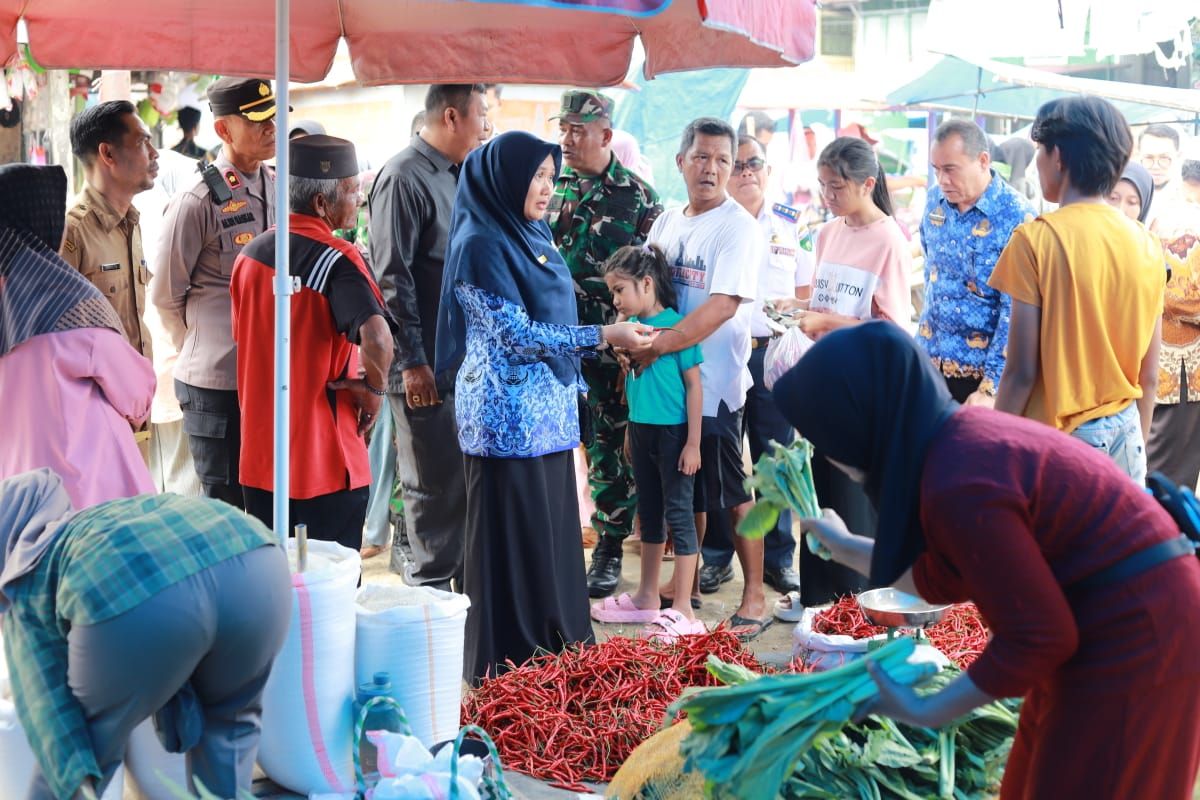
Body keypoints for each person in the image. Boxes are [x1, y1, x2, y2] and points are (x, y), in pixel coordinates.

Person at [778, 321, 1200, 800]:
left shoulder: (960, 477)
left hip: (1143, 635)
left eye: (828, 442)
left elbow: (1039, 636)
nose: (829, 459)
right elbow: (952, 571)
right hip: (1106, 621)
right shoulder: (952, 445)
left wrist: (927, 709)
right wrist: (846, 544)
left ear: (859, 427)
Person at [433, 131, 655, 681]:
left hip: (548, 415)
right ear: (503, 179)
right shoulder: (480, 244)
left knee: (551, 533)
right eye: (534, 176)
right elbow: (517, 335)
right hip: (504, 418)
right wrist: (605, 335)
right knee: (516, 535)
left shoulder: (531, 233)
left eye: (550, 178)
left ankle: (554, 646)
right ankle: (509, 656)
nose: (545, 188)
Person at [0, 468, 291, 800]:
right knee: (230, 726)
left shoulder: (27, 582)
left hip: (140, 593)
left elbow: (56, 729)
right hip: (260, 564)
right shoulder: (99, 519)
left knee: (82, 747)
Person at [637, 117, 769, 640]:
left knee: (733, 492)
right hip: (666, 387)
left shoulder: (739, 228)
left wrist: (660, 346)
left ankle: (755, 594)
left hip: (713, 386)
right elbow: (650, 291)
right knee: (683, 489)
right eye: (702, 157)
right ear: (681, 162)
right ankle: (682, 592)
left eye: (723, 160)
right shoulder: (666, 222)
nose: (712, 169)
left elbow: (721, 306)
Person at [232, 135, 394, 550]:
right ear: (321, 203)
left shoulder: (249, 256)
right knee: (331, 599)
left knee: (277, 593)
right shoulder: (337, 258)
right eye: (353, 190)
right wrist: (374, 392)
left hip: (262, 461)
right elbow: (377, 337)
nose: (359, 199)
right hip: (325, 460)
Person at [990, 97, 1163, 484]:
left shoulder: (1036, 241)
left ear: (1059, 157)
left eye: (1039, 151)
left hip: (1060, 444)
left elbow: (1020, 372)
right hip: (1127, 433)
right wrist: (1137, 447)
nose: (1037, 164)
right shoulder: (1147, 244)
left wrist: (990, 444)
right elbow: (1149, 375)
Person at [369, 84, 490, 591]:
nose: (485, 126)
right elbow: (391, 278)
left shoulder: (461, 174)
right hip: (424, 367)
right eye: (481, 115)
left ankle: (459, 611)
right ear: (451, 116)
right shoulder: (403, 177)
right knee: (432, 491)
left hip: (463, 362)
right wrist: (413, 361)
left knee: (462, 488)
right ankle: (431, 603)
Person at [783, 136, 912, 608]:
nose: (827, 197)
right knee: (817, 492)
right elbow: (822, 300)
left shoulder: (889, 240)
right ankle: (818, 601)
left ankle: (857, 606)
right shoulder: (827, 233)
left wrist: (826, 322)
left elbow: (894, 329)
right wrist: (795, 307)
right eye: (822, 186)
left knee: (852, 497)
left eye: (836, 187)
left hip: (866, 390)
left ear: (867, 184)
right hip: (824, 380)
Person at [547, 89, 663, 598]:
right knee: (555, 441)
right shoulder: (551, 184)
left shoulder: (638, 198)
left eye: (578, 130)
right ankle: (555, 543)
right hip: (555, 342)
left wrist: (631, 345)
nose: (568, 139)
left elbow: (648, 280)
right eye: (564, 129)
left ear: (606, 135)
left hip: (610, 345)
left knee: (608, 448)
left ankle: (611, 546)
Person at [151, 77, 279, 508]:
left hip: (271, 378)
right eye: (259, 121)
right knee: (224, 505)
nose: (272, 127)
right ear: (223, 130)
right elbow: (166, 297)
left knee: (267, 502)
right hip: (217, 385)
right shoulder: (197, 200)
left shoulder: (278, 187)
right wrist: (205, 345)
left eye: (275, 117)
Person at [0, 164, 155, 509]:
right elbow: (136, 394)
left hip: (14, 500)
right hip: (90, 494)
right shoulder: (69, 303)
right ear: (43, 223)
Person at [707, 133, 810, 599]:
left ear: (768, 170)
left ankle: (779, 558)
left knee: (776, 458)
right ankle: (716, 557)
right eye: (739, 164)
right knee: (719, 456)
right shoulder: (714, 222)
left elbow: (807, 291)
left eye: (755, 163)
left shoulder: (791, 223)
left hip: (772, 355)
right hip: (723, 350)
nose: (747, 171)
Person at [591, 244, 704, 640]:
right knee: (649, 515)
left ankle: (685, 608)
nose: (616, 300)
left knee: (679, 515)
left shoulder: (678, 329)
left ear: (647, 283)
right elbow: (635, 387)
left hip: (674, 434)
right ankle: (646, 597)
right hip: (640, 431)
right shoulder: (633, 331)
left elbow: (694, 388)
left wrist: (694, 443)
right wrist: (628, 431)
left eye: (620, 290)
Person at [60, 101, 159, 469]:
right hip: (94, 423)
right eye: (143, 142)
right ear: (107, 153)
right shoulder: (72, 233)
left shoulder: (131, 224)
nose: (154, 153)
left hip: (135, 417)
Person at [916, 120, 1034, 404]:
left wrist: (990, 388)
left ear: (983, 161)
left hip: (980, 378)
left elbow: (1015, 310)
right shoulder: (934, 202)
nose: (942, 180)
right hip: (929, 363)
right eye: (936, 170)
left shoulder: (1016, 214)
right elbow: (930, 269)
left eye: (950, 170)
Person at [133, 147, 208, 496]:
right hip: (173, 370)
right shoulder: (167, 215)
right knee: (182, 481)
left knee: (157, 479)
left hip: (153, 376)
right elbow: (166, 302)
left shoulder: (138, 215)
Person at [1146, 162, 1200, 491]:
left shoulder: (1167, 217)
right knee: (1170, 467)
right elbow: (1175, 296)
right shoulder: (1180, 223)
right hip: (1181, 365)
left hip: (1181, 364)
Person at [1139, 124, 1183, 226]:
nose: (1155, 166)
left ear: (1179, 156)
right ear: (1139, 156)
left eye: (1164, 158)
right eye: (1148, 158)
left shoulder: (1190, 199)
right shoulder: (1126, 194)